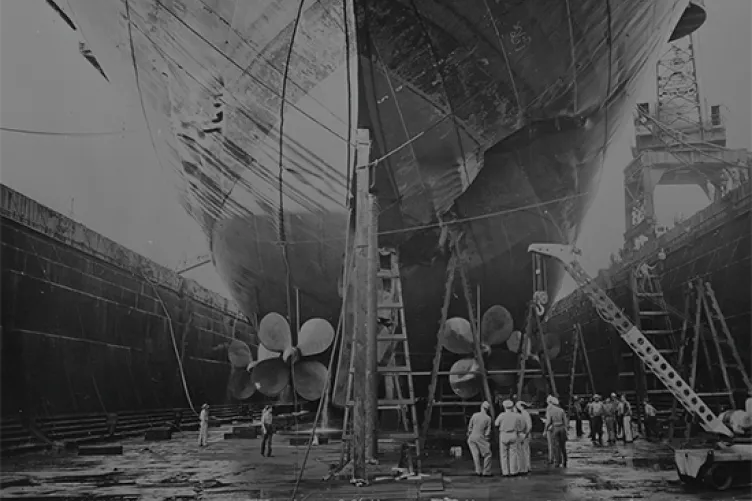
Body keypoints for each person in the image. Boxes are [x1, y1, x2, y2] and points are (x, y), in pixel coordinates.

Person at [495, 400, 523, 476]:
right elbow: (520, 426)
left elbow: (496, 424)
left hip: (504, 434)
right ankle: (513, 471)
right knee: (513, 453)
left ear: (504, 407)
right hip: (513, 434)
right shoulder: (516, 415)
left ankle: (505, 472)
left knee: (503, 454)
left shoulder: (501, 415)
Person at [466, 401, 493, 476]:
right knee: (488, 454)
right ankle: (486, 471)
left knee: (475, 454)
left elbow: (470, 426)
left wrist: (469, 433)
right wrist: (487, 440)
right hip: (480, 436)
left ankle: (478, 470)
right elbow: (487, 432)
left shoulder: (475, 415)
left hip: (471, 437)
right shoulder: (488, 418)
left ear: (481, 407)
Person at [545, 396, 568, 467]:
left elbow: (548, 422)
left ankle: (557, 462)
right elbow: (565, 422)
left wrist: (545, 429)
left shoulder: (550, 411)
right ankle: (565, 460)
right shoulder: (561, 410)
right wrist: (566, 430)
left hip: (555, 428)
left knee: (556, 445)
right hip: (562, 427)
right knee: (563, 445)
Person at [516, 401, 532, 474]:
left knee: (524, 451)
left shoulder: (524, 413)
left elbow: (529, 425)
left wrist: (526, 433)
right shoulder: (523, 413)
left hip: (524, 434)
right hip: (523, 434)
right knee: (524, 451)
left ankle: (525, 467)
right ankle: (525, 466)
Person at [544, 395, 555, 464]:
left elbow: (548, 420)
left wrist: (545, 430)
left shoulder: (549, 408)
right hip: (556, 426)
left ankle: (551, 459)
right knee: (556, 443)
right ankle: (557, 458)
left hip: (550, 427)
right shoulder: (557, 408)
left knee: (550, 444)